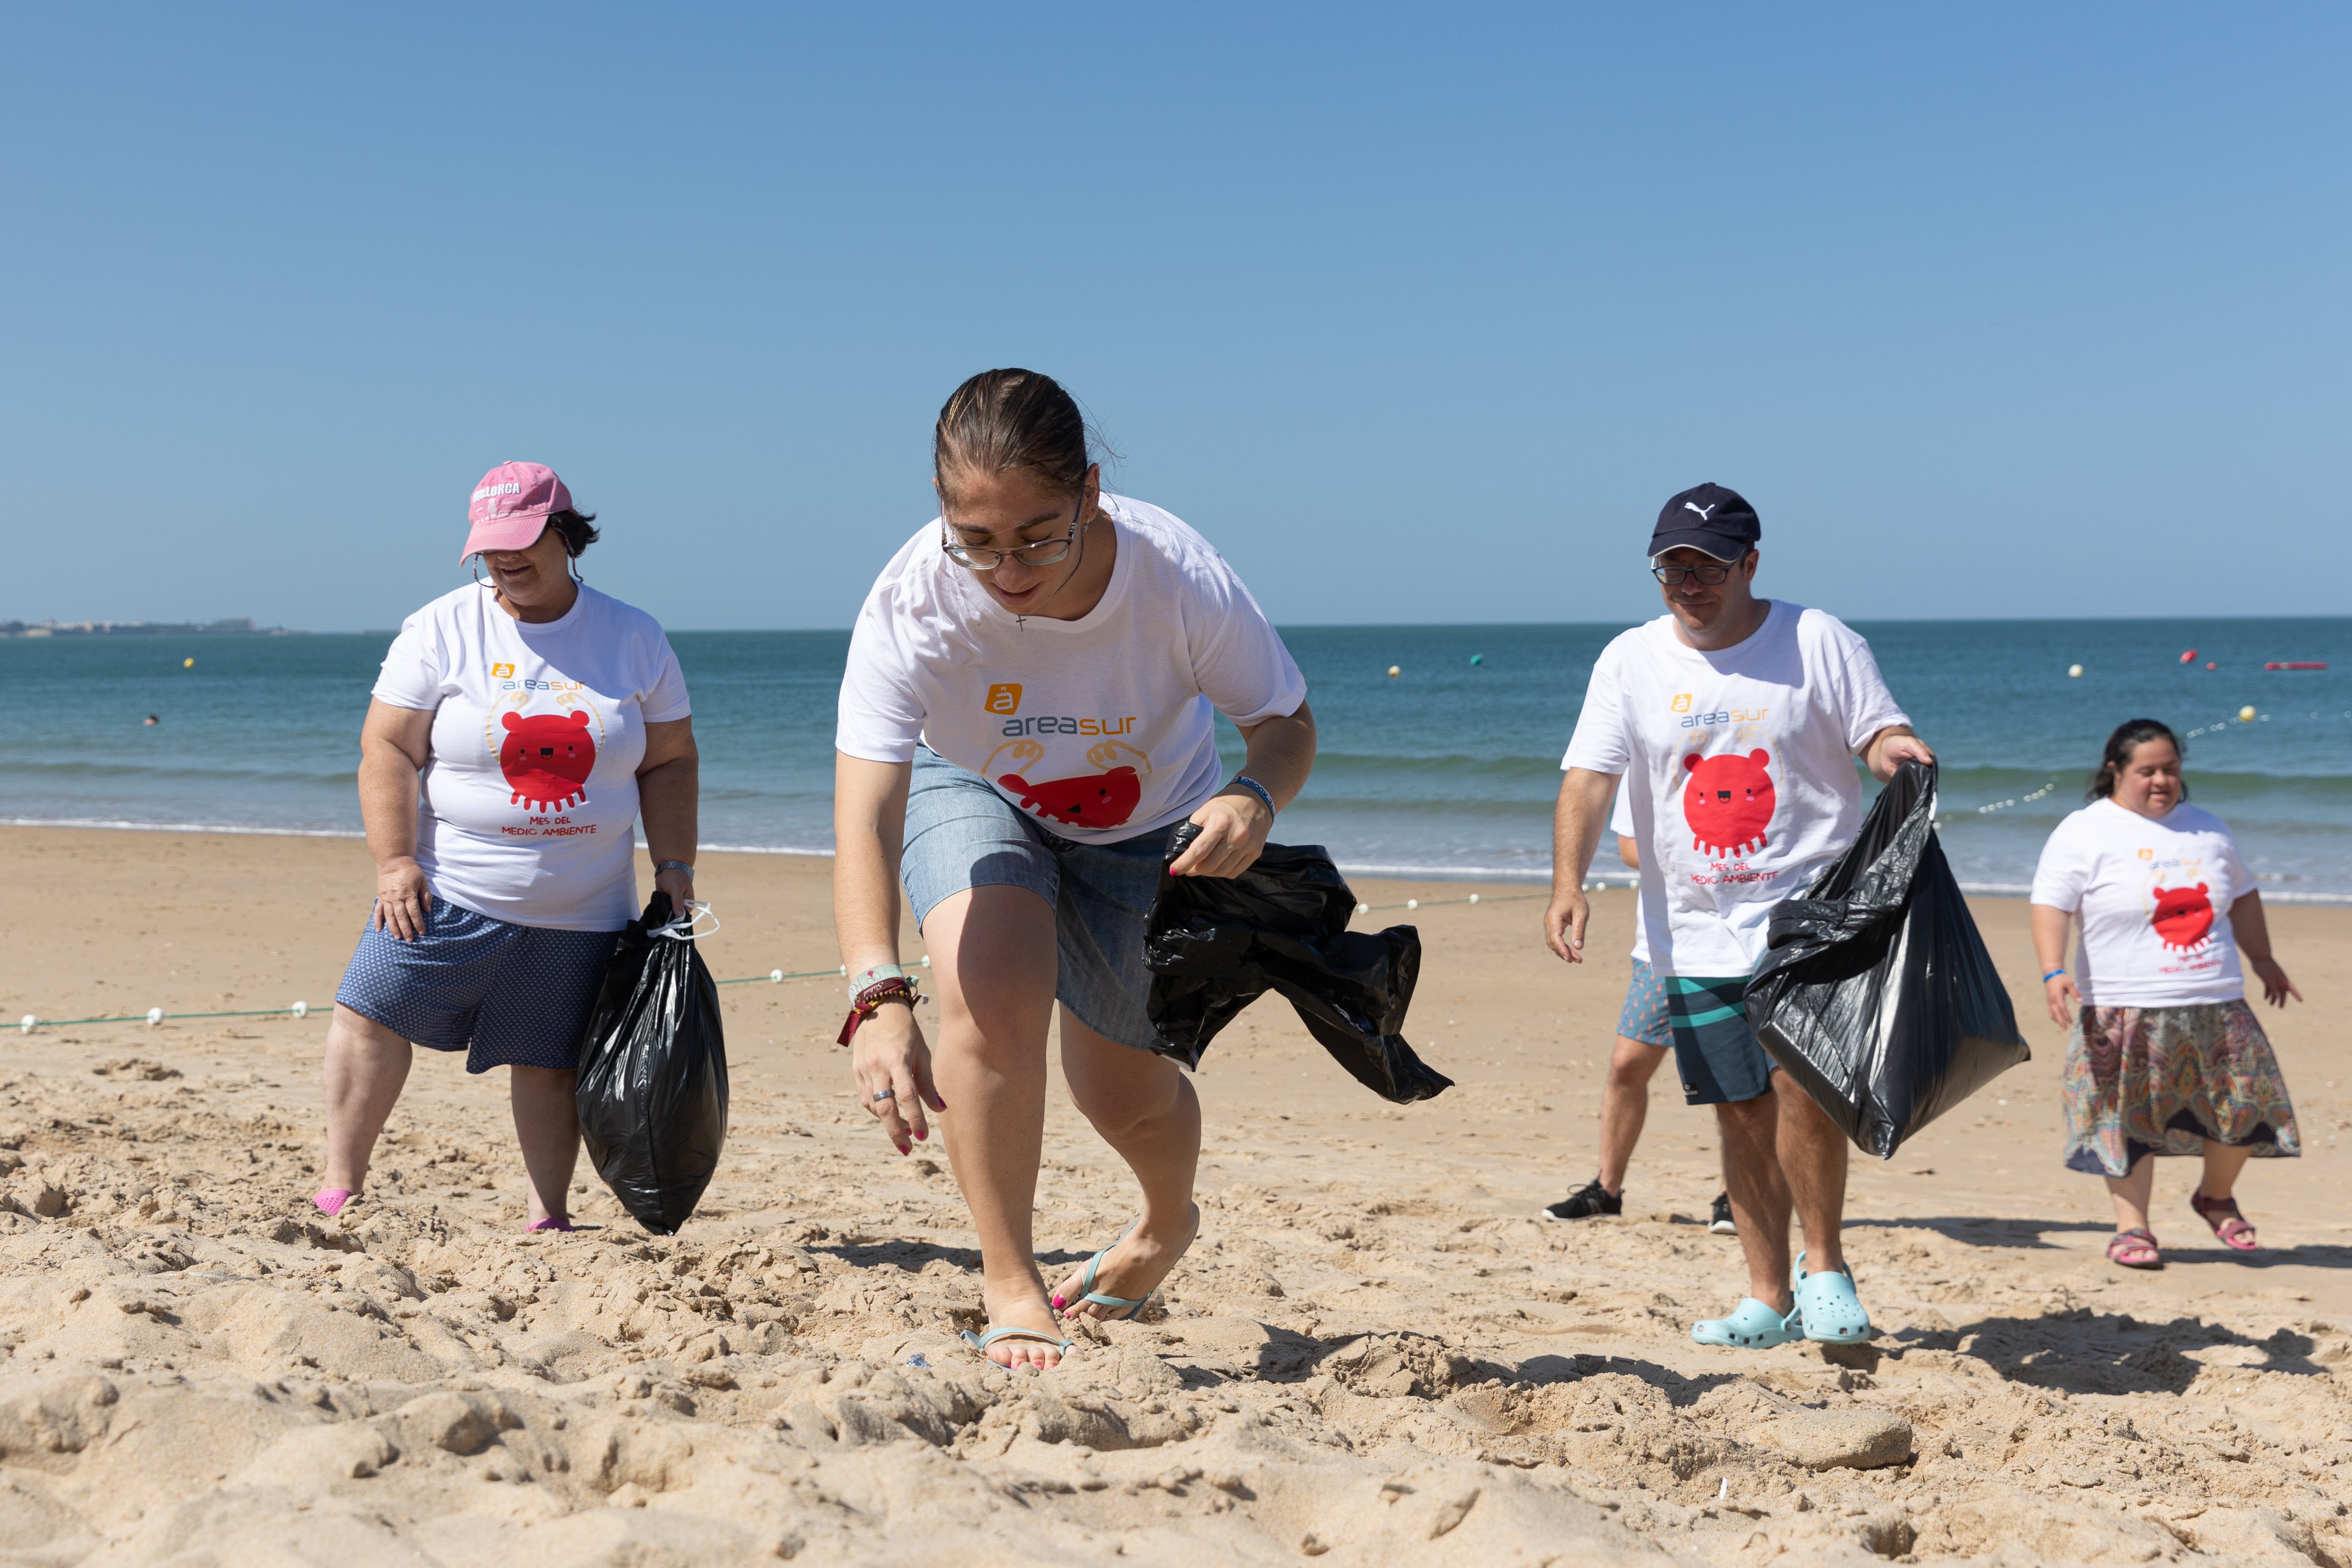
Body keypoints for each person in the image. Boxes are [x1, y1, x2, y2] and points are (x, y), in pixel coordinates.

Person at [834, 369, 1315, 1370]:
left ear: (1092, 492)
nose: (1008, 569)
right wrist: (876, 991)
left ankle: (1165, 1220)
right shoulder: (915, 598)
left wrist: (1252, 799)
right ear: (943, 515)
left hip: (1148, 824)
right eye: (979, 542)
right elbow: (866, 812)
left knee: (1123, 1093)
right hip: (971, 784)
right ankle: (1010, 1282)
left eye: (1040, 536)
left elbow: (1285, 726)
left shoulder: (1177, 576)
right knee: (997, 984)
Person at [1544, 483, 1932, 1349]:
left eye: (1707, 565)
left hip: (1810, 917)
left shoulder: (1815, 638)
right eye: (1671, 566)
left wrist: (1893, 751)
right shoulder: (1629, 660)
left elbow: (1875, 731)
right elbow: (1588, 777)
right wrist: (1567, 880)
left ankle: (1824, 1266)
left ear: (1749, 563)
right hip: (1688, 927)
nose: (1688, 581)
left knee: (1803, 1089)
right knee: (1738, 1109)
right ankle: (1766, 1294)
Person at [318, 462, 699, 1232]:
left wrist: (675, 867)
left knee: (550, 1060)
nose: (504, 561)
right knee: (368, 1016)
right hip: (448, 889)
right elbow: (387, 748)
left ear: (566, 534)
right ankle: (339, 1184)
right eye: (490, 549)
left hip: (585, 907)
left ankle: (546, 1214)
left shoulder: (633, 636)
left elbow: (670, 760)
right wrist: (394, 863)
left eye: (521, 543)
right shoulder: (440, 628)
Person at [2030, 718, 2301, 1269]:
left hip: (2216, 998)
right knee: (2126, 1117)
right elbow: (2051, 902)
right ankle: (2133, 1228)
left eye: (2171, 770)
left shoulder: (2208, 828)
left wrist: (2264, 958)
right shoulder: (2085, 830)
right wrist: (2053, 970)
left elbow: (2243, 896)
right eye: (2147, 771)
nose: (2162, 781)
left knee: (2244, 1104)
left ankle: (2216, 1197)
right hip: (2124, 1002)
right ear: (2116, 771)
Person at [1542, 786, 1734, 1234]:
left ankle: (1735, 1194)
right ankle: (1606, 1192)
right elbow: (1630, 849)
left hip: (1738, 945)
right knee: (1627, 1066)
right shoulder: (1648, 760)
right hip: (1664, 944)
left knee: (1730, 1077)